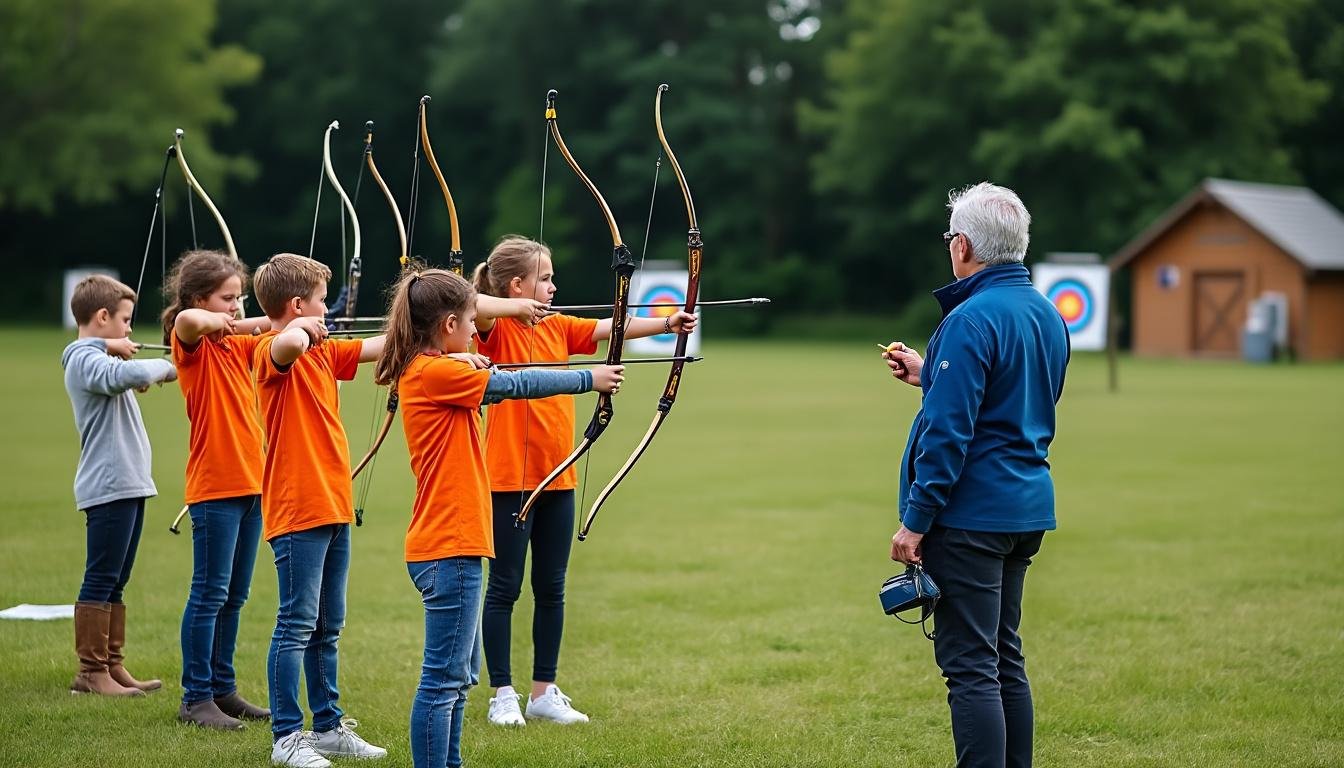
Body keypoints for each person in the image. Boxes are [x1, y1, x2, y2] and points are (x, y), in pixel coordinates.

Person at [376, 268, 623, 768]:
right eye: (470, 322)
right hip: (449, 544)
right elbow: (517, 382)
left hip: (456, 542)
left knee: (458, 682)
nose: (476, 330)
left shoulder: (435, 367)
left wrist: (466, 356)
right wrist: (587, 377)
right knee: (443, 679)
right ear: (448, 324)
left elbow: (479, 369)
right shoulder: (438, 373)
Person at [473, 236, 697, 726]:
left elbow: (608, 325)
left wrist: (666, 322)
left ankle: (542, 691)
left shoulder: (556, 327)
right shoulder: (493, 331)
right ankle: (502, 693)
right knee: (504, 588)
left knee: (552, 588)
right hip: (509, 478)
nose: (554, 287)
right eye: (545, 278)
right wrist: (516, 309)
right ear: (516, 284)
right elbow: (472, 304)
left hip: (559, 475)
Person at [883, 182, 1069, 768]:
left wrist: (915, 522)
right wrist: (929, 374)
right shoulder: (1046, 313)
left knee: (970, 670)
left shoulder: (969, 319)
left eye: (948, 239)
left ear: (962, 245)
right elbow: (1013, 399)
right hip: (1025, 510)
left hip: (969, 518)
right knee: (1003, 660)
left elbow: (948, 435)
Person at [250, 253, 387, 768]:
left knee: (328, 625)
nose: (327, 310)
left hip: (332, 503)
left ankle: (327, 727)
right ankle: (287, 737)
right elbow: (285, 343)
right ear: (296, 304)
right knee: (296, 623)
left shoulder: (324, 354)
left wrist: (421, 321)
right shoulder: (272, 350)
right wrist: (302, 328)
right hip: (296, 509)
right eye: (321, 301)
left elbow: (378, 347)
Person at [160, 250, 273, 729]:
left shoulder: (235, 345)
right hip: (215, 487)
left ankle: (222, 689)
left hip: (251, 483)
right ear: (199, 298)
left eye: (239, 298)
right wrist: (215, 320)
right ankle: (195, 697)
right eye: (227, 299)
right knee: (209, 594)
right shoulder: (192, 344)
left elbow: (269, 332)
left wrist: (296, 318)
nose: (235, 308)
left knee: (234, 596)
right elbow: (186, 321)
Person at [61, 274, 178, 697]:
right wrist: (168, 366)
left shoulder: (100, 360)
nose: (129, 330)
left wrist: (122, 360)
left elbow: (120, 375)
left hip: (127, 484)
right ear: (103, 316)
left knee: (116, 580)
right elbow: (113, 375)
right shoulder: (81, 358)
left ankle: (111, 665)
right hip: (109, 486)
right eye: (125, 321)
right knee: (101, 577)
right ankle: (90, 673)